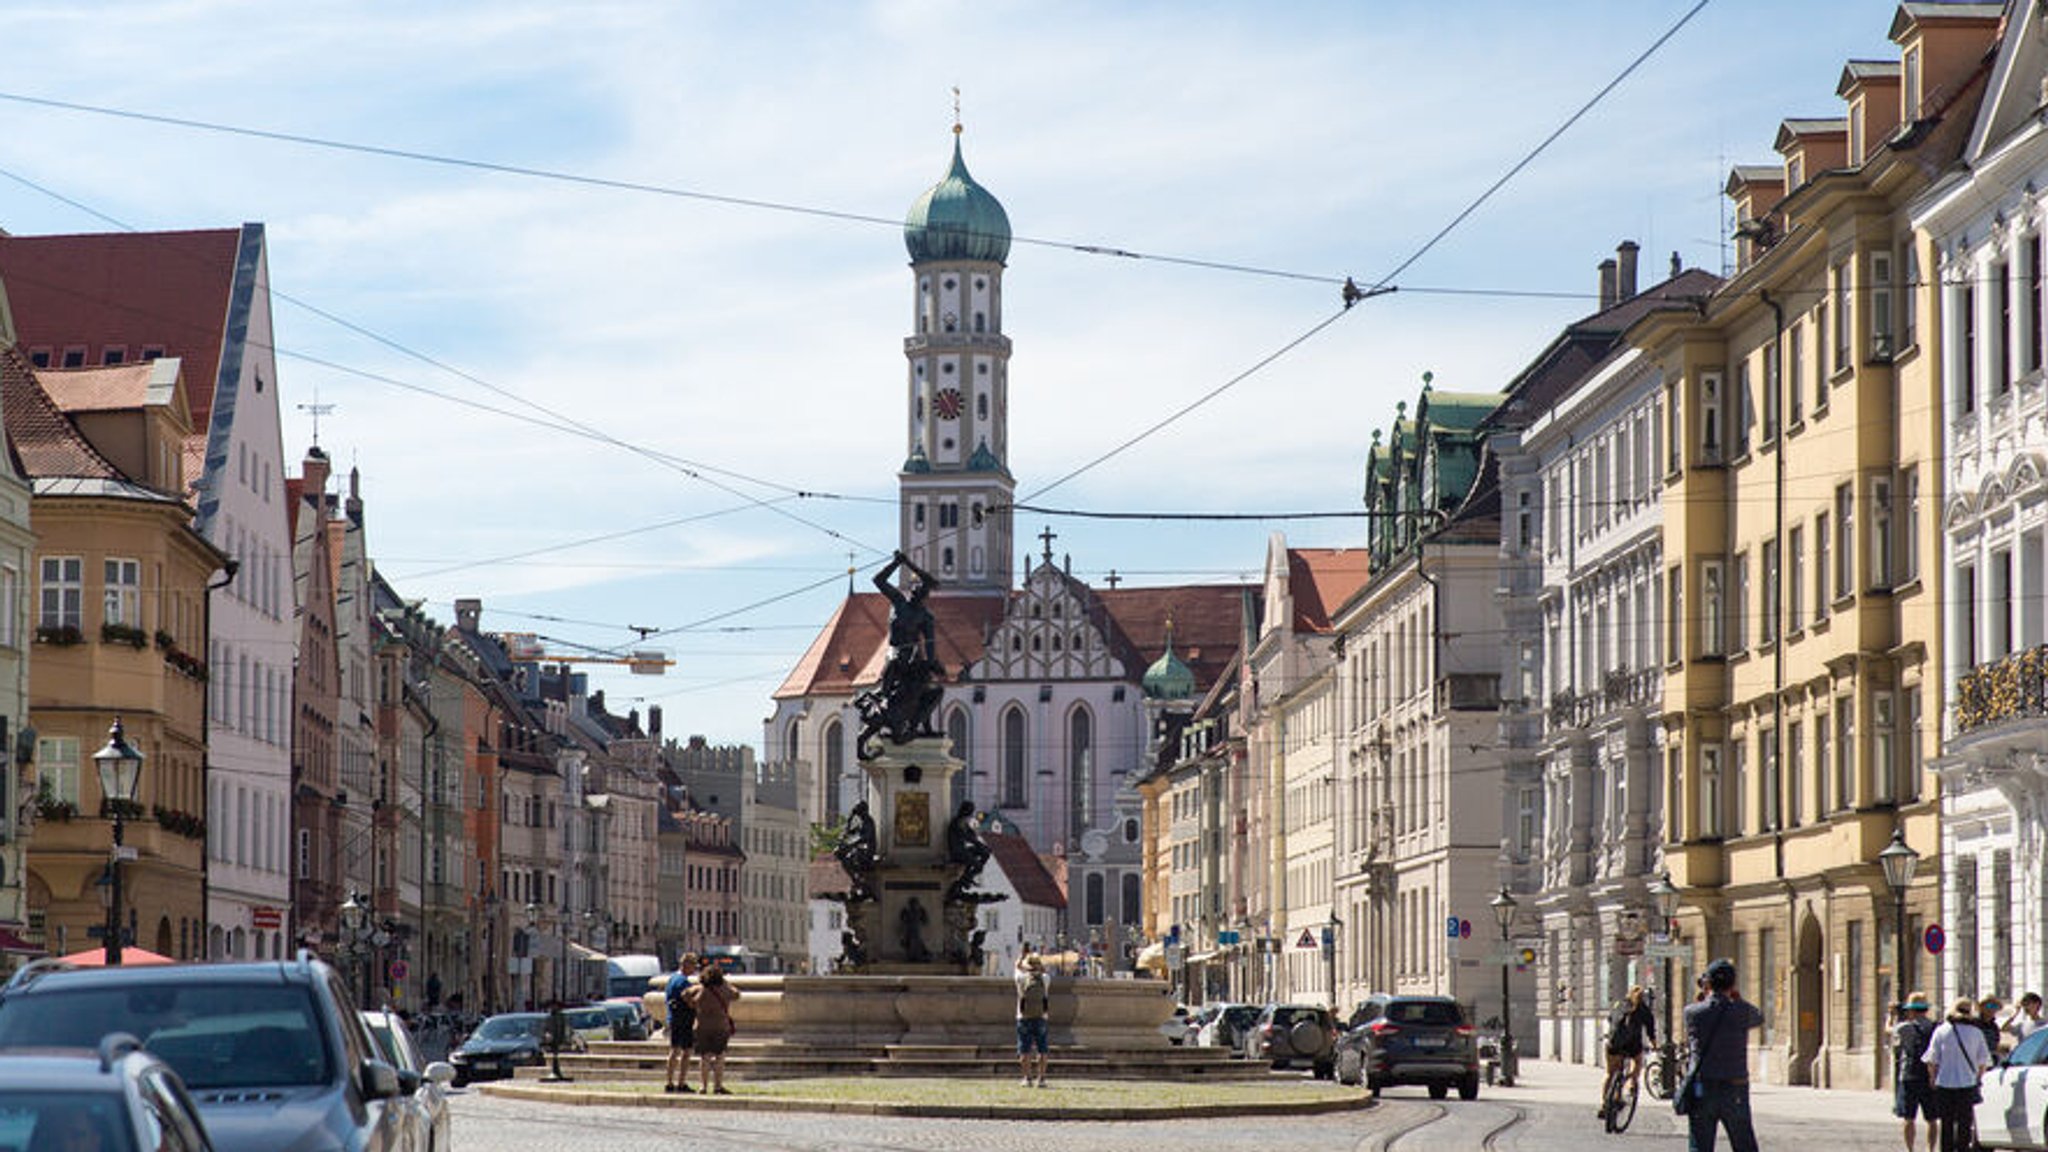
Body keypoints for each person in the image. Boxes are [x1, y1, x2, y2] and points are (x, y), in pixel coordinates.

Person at [1682, 957, 1763, 1152]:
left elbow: (1696, 1018)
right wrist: (1737, 998)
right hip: (1735, 1086)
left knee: (1700, 1145)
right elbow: (1758, 1017)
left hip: (1704, 1085)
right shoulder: (1742, 1011)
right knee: (1744, 1144)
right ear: (1733, 984)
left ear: (1707, 983)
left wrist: (1705, 995)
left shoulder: (1692, 1012)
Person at [1925, 996, 1992, 1152]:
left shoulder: (1941, 1031)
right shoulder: (1976, 1033)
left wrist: (1932, 1078)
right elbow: (1983, 1062)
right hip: (1967, 1084)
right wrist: (1977, 1078)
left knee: (1946, 1123)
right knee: (1964, 1124)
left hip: (1945, 1083)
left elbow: (1932, 1060)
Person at [1599, 985, 1657, 1120]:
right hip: (1632, 1045)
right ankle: (1631, 1082)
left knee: (1609, 1073)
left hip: (1614, 1044)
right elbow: (1650, 1031)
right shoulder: (1644, 1010)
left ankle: (1604, 1104)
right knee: (1637, 1061)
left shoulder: (1618, 1004)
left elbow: (1610, 1019)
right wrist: (1655, 1046)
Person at [683, 965, 742, 1095]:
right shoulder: (724, 989)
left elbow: (685, 994)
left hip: (702, 1026)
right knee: (720, 1056)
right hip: (720, 1026)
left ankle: (703, 1087)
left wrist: (693, 1003)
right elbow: (737, 994)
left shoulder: (700, 989)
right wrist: (726, 982)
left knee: (705, 1057)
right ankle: (718, 1086)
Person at [1891, 992, 1938, 1152]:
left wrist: (1891, 1016)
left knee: (1908, 1117)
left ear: (1910, 1010)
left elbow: (1889, 1031)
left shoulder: (1904, 1027)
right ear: (1925, 1010)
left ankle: (1910, 1149)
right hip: (1929, 1075)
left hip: (1909, 1074)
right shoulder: (1935, 1027)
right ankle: (1930, 1148)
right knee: (1932, 1118)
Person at [662, 953, 700, 1093]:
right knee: (686, 1052)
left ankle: (669, 1082)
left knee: (674, 1050)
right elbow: (689, 1000)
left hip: (673, 1018)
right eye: (693, 966)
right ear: (686, 965)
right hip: (684, 1019)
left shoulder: (672, 979)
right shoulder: (684, 981)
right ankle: (681, 1083)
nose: (694, 969)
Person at [1015, 948, 1051, 1088]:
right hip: (1041, 1017)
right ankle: (1041, 1079)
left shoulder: (1021, 978)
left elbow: (1017, 965)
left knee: (1025, 1049)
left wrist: (1022, 957)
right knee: (1042, 1049)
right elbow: (1044, 969)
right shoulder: (1045, 979)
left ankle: (1027, 1078)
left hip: (1023, 1017)